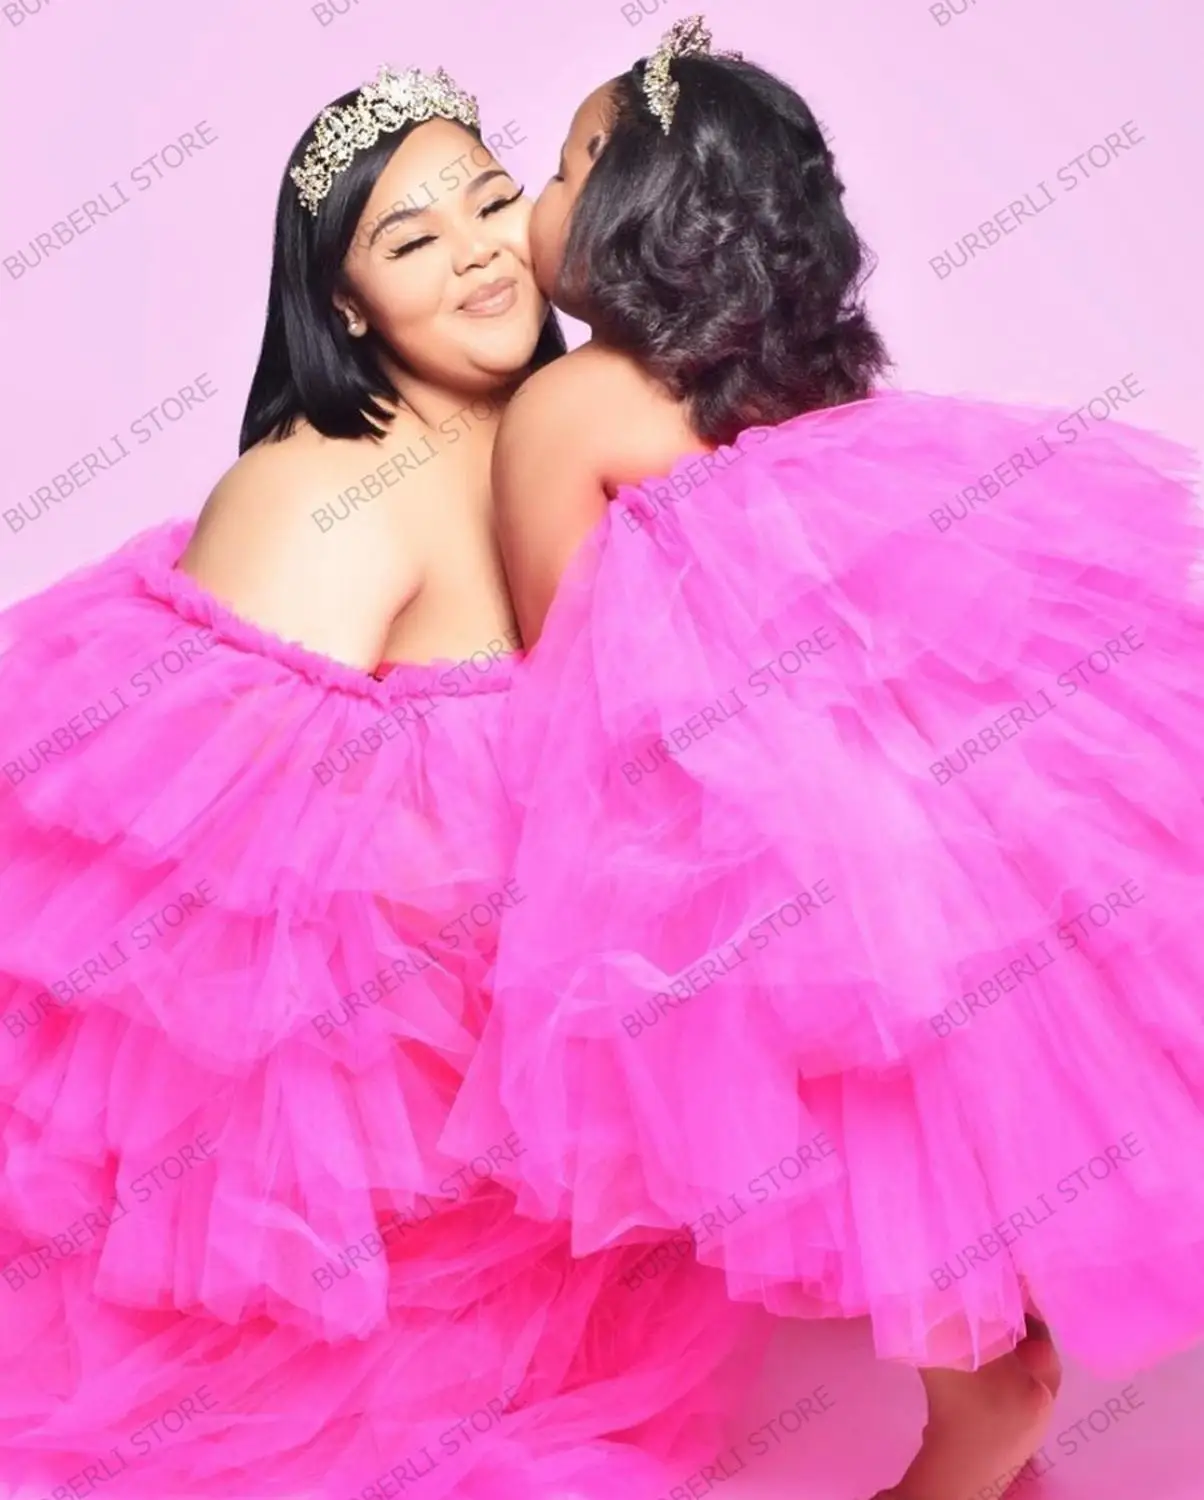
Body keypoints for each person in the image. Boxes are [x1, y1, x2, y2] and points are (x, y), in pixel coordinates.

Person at [445, 18, 1204, 1500]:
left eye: (561, 168)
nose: (534, 202)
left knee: (863, 1082)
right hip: (924, 799)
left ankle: (981, 1397)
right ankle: (1001, 1354)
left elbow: (560, 666)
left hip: (757, 838)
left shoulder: (569, 402)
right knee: (960, 1065)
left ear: (626, 203)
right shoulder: (804, 395)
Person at [0, 63, 753, 1498]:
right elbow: (218, 909)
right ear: (344, 305)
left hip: (573, 1122)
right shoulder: (321, 490)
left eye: (489, 201)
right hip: (410, 1161)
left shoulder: (580, 423)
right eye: (410, 239)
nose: (476, 252)